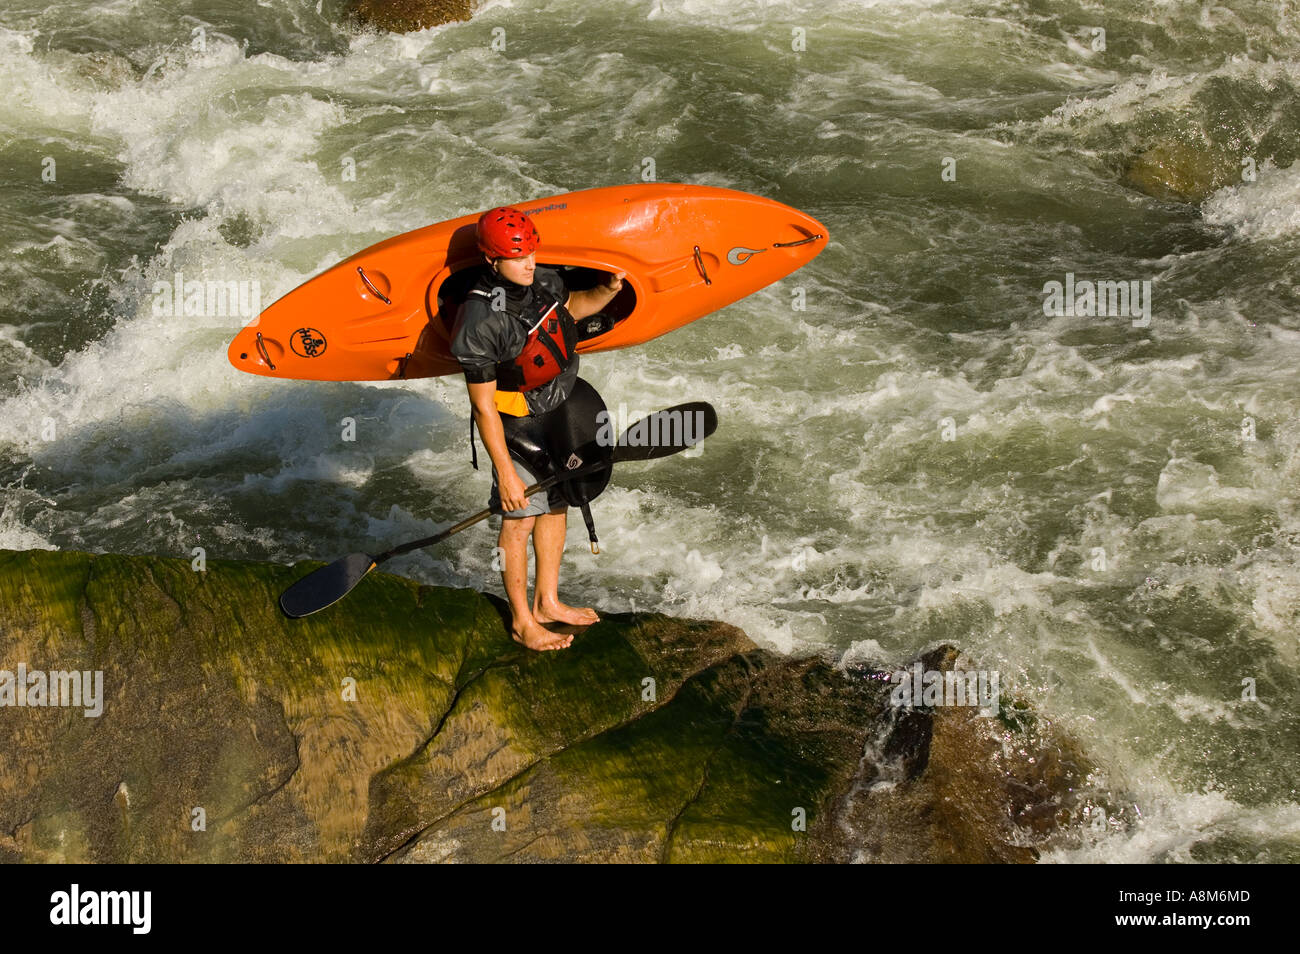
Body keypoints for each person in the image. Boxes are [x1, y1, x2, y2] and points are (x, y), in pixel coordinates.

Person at [450, 206, 625, 651]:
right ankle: (522, 620)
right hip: (513, 420)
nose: (529, 263)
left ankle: (547, 601)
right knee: (519, 520)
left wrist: (605, 290)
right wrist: (505, 472)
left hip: (560, 404)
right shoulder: (478, 321)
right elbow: (484, 407)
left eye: (531, 251)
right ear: (492, 262)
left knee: (557, 501)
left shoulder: (542, 280)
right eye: (518, 256)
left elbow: (573, 310)